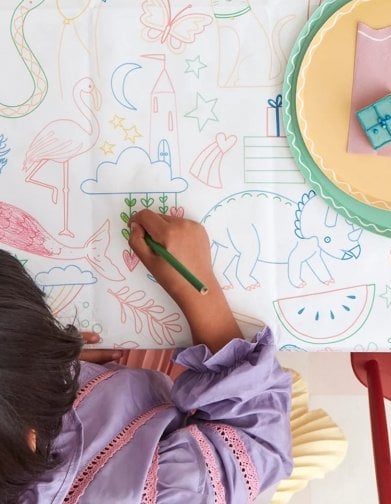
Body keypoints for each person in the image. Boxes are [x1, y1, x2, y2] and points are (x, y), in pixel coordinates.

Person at [0, 211, 293, 503]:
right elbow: (262, 446)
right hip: (214, 412)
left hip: (117, 382)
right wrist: (197, 291)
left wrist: (50, 359)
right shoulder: (162, 493)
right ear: (30, 439)